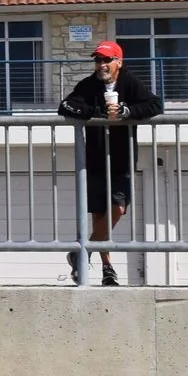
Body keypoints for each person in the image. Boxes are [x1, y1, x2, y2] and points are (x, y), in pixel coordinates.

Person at [55, 41, 164, 286]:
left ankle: (82, 252)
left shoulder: (129, 82)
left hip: (122, 158)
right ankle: (107, 269)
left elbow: (156, 104)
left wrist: (126, 111)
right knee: (99, 215)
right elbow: (66, 106)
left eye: (106, 60)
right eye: (98, 60)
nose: (101, 65)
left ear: (119, 62)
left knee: (118, 208)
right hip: (94, 158)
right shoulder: (88, 84)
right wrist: (95, 112)